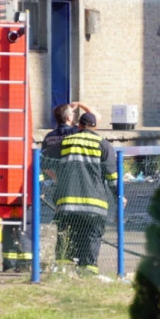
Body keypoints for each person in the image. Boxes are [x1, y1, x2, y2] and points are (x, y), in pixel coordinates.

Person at [47, 112, 118, 273]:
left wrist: (58, 177)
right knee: (91, 239)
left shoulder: (66, 142)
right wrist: (119, 197)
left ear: (79, 126)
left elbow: (43, 159)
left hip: (67, 204)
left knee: (66, 237)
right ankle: (88, 273)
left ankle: (63, 273)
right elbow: (112, 177)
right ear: (96, 127)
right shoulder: (103, 145)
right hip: (95, 206)